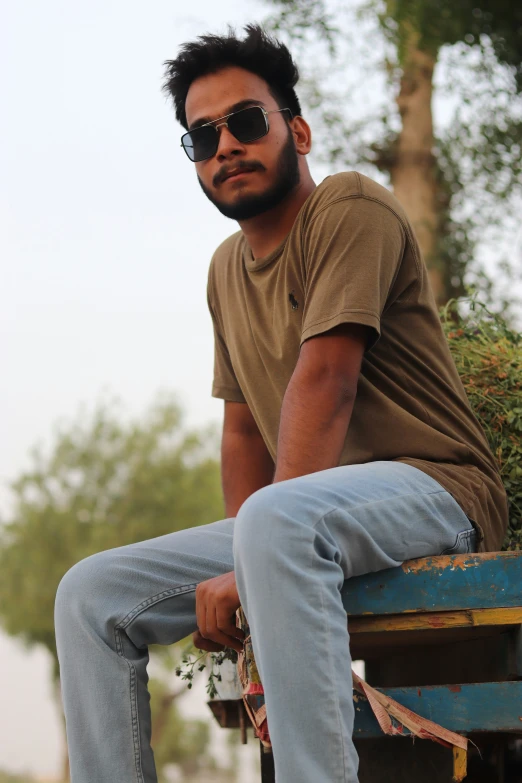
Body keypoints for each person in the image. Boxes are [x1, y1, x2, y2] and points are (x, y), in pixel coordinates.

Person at [54, 24, 508, 783]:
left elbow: (325, 380)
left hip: (435, 491)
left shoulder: (349, 207)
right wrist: (246, 560)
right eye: (202, 136)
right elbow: (242, 432)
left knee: (274, 516)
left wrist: (257, 545)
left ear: (296, 129)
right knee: (89, 595)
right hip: (302, 519)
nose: (225, 145)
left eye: (246, 121)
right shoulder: (226, 270)